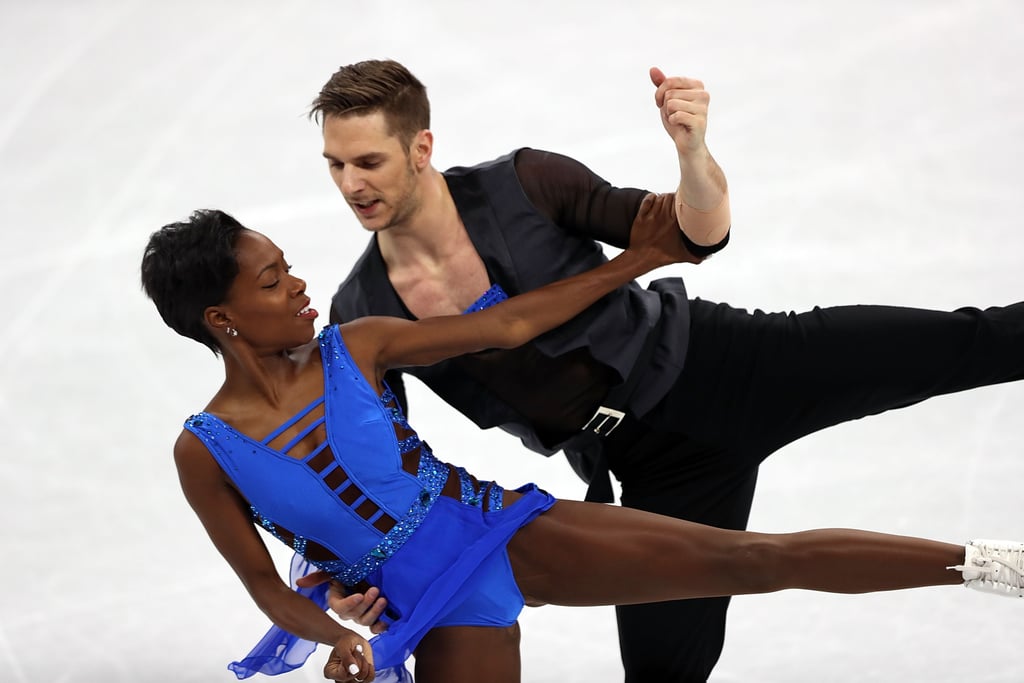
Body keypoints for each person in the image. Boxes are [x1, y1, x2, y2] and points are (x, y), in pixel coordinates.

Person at [308, 59, 1024, 682]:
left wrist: (693, 154)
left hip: (731, 362)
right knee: (662, 670)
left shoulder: (523, 184)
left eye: (367, 161)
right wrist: (348, 578)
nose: (351, 184)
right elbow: (379, 469)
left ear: (421, 146)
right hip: (654, 470)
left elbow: (692, 233)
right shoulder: (362, 310)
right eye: (336, 165)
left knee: (972, 341)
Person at [142, 205, 1023, 683]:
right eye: (272, 280)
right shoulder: (206, 450)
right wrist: (335, 629)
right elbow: (266, 587)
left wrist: (630, 263)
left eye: (290, 265)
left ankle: (993, 564)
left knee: (751, 559)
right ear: (221, 318)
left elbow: (511, 324)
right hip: (433, 612)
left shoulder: (358, 342)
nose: (299, 285)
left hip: (504, 532)